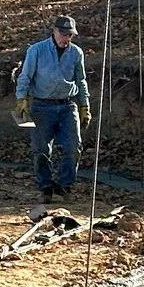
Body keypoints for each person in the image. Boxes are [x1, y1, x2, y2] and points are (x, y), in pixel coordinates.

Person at [14, 13, 92, 205]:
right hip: (42, 105)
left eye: (70, 35)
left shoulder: (76, 53)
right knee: (40, 149)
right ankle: (46, 186)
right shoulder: (37, 50)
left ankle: (64, 186)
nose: (66, 38)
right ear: (54, 31)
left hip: (67, 105)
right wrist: (21, 99)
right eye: (63, 34)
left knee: (73, 147)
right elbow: (25, 77)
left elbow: (81, 81)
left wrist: (84, 105)